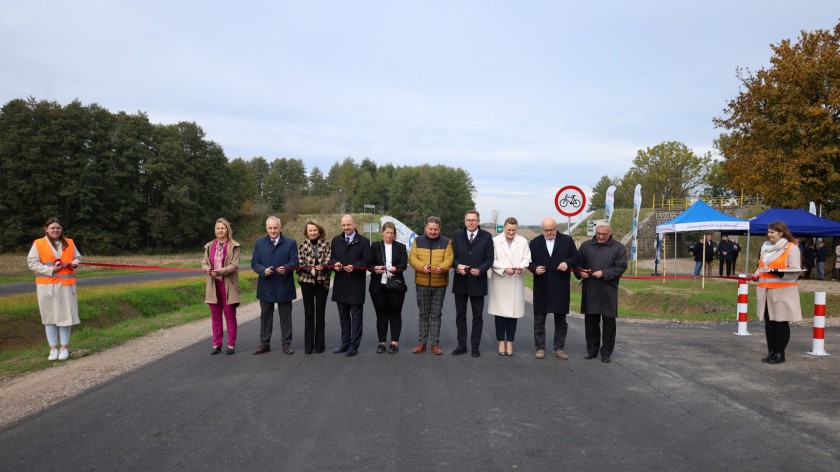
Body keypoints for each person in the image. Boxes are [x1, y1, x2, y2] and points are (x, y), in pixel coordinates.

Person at [27, 218, 81, 361]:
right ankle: (53, 349)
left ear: (61, 229)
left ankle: (64, 348)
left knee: (65, 318)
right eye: (52, 228)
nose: (55, 230)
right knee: (49, 318)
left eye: (58, 228)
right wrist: (50, 270)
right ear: (46, 229)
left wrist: (76, 263)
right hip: (47, 286)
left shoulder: (69, 242)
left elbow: (77, 257)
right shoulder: (38, 243)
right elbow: (32, 263)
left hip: (66, 286)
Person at [575, 221, 628, 363]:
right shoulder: (586, 246)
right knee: (591, 322)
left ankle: (606, 353)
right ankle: (591, 350)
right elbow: (577, 263)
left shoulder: (618, 248)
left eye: (604, 234)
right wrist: (581, 271)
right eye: (598, 233)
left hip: (608, 290)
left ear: (610, 233)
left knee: (609, 322)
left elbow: (621, 267)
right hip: (590, 289)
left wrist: (604, 273)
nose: (601, 236)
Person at [527, 216, 579, 360]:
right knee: (539, 320)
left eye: (552, 229)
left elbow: (575, 257)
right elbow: (529, 262)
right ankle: (540, 348)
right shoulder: (535, 242)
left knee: (561, 321)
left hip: (560, 285)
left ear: (556, 228)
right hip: (541, 286)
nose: (549, 232)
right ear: (542, 229)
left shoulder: (567, 241)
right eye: (546, 230)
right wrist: (534, 268)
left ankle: (559, 348)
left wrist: (567, 263)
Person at [752, 221, 802, 364]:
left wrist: (779, 273)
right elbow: (762, 266)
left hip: (782, 292)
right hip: (766, 292)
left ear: (781, 233)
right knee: (769, 323)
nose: (769, 235)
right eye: (768, 232)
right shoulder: (765, 248)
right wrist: (756, 274)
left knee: (780, 322)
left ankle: (780, 353)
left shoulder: (791, 248)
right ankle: (771, 351)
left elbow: (795, 271)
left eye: (772, 232)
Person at [251, 216, 298, 355]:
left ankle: (286, 343)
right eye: (270, 228)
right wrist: (262, 270)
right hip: (266, 284)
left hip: (284, 284)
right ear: (266, 228)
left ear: (280, 228)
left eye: (275, 227)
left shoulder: (290, 243)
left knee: (285, 316)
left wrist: (286, 268)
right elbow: (254, 262)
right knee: (265, 315)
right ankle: (264, 343)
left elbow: (295, 261)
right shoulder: (259, 243)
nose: (273, 230)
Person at [451, 210, 494, 357]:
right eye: (468, 220)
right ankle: (461, 345)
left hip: (478, 281)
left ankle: (475, 346)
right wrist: (458, 266)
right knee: (460, 315)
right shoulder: (457, 236)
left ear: (478, 221)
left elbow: (489, 259)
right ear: (465, 221)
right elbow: (452, 256)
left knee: (477, 316)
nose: (471, 222)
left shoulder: (487, 237)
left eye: (474, 220)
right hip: (460, 281)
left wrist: (481, 270)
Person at [408, 216, 454, 355]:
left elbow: (449, 258)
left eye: (435, 229)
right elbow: (412, 257)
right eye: (430, 229)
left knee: (436, 314)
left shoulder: (447, 242)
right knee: (423, 314)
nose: (433, 231)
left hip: (439, 283)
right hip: (422, 282)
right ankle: (422, 343)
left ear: (439, 229)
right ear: (426, 228)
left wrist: (442, 267)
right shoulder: (418, 241)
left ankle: (435, 344)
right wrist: (422, 267)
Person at [488, 217, 531, 356]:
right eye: (508, 230)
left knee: (513, 314)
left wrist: (521, 267)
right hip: (500, 281)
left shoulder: (523, 241)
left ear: (516, 229)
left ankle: (510, 342)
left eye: (513, 230)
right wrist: (503, 268)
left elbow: (527, 258)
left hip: (515, 281)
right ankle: (501, 342)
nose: (511, 232)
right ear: (504, 228)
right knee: (500, 314)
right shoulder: (495, 241)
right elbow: (491, 259)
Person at [330, 214, 371, 357]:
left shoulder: (364, 242)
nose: (346, 227)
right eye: (343, 225)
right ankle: (344, 343)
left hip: (356, 285)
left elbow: (367, 262)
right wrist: (334, 264)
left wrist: (354, 267)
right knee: (343, 317)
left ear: (354, 224)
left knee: (356, 317)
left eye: (348, 225)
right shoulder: (336, 240)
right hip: (341, 284)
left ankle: (354, 345)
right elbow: (332, 257)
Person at [201, 218, 241, 355]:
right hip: (213, 285)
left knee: (230, 315)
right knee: (215, 316)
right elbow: (204, 263)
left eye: (223, 228)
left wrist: (220, 271)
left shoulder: (234, 246)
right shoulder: (210, 245)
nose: (220, 230)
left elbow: (234, 266)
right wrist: (207, 269)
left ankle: (230, 344)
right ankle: (216, 344)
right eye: (218, 228)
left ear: (227, 229)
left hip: (228, 284)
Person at [369, 221, 408, 353]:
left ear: (395, 234)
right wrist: (375, 269)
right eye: (387, 232)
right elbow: (369, 264)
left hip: (396, 285)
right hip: (378, 285)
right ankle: (382, 343)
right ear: (382, 233)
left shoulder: (401, 247)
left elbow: (404, 264)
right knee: (381, 315)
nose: (389, 235)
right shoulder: (375, 246)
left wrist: (396, 269)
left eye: (392, 233)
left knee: (395, 314)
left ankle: (394, 343)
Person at [297, 220, 331, 354]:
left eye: (315, 230)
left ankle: (319, 346)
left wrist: (323, 267)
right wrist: (308, 270)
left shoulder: (326, 244)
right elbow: (299, 263)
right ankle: (308, 346)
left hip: (322, 282)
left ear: (319, 231)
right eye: (310, 230)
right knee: (309, 313)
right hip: (307, 282)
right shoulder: (302, 245)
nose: (312, 232)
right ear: (307, 232)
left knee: (320, 314)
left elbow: (329, 261)